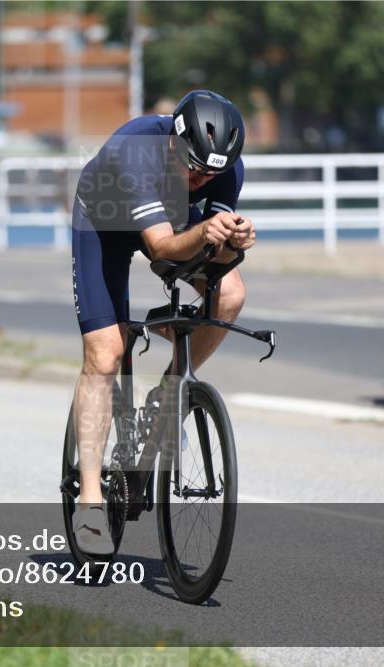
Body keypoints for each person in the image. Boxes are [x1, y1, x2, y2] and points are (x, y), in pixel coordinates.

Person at [69, 90, 256, 554]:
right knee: (106, 354)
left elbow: (214, 259)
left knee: (232, 293)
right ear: (173, 144)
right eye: (194, 168)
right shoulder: (134, 151)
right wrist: (203, 233)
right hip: (105, 222)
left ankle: (170, 391)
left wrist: (237, 243)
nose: (201, 180)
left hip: (171, 224)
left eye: (211, 174)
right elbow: (162, 249)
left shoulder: (225, 170)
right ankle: (90, 502)